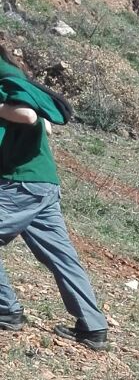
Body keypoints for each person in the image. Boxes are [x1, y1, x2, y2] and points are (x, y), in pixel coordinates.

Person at [0, 54, 108, 350]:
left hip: (21, 183)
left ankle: (6, 309)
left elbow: (29, 116)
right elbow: (46, 126)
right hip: (43, 181)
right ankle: (93, 327)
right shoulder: (18, 75)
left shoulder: (4, 75)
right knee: (61, 256)